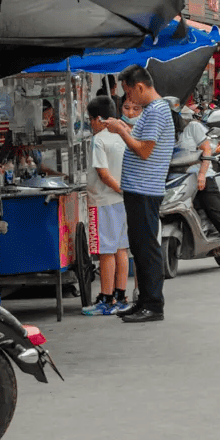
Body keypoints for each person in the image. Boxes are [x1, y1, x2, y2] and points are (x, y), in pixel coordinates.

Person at [105, 65, 176, 323]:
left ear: (140, 87)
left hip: (146, 189)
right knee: (139, 245)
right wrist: (122, 127)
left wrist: (122, 131)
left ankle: (154, 305)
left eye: (129, 92)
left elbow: (144, 150)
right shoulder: (152, 112)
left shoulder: (156, 110)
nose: (129, 99)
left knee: (147, 248)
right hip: (138, 188)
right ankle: (144, 301)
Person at [169, 96, 220, 272]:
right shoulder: (162, 135)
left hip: (200, 176)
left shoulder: (192, 127)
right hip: (175, 180)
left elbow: (207, 149)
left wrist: (202, 174)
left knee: (215, 211)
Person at [82, 97, 131, 315]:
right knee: (121, 249)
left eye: (90, 120)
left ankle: (106, 299)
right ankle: (121, 295)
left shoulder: (99, 140)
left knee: (106, 252)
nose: (91, 124)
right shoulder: (123, 135)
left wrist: (119, 189)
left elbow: (102, 173)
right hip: (122, 202)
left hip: (103, 201)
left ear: (98, 119)